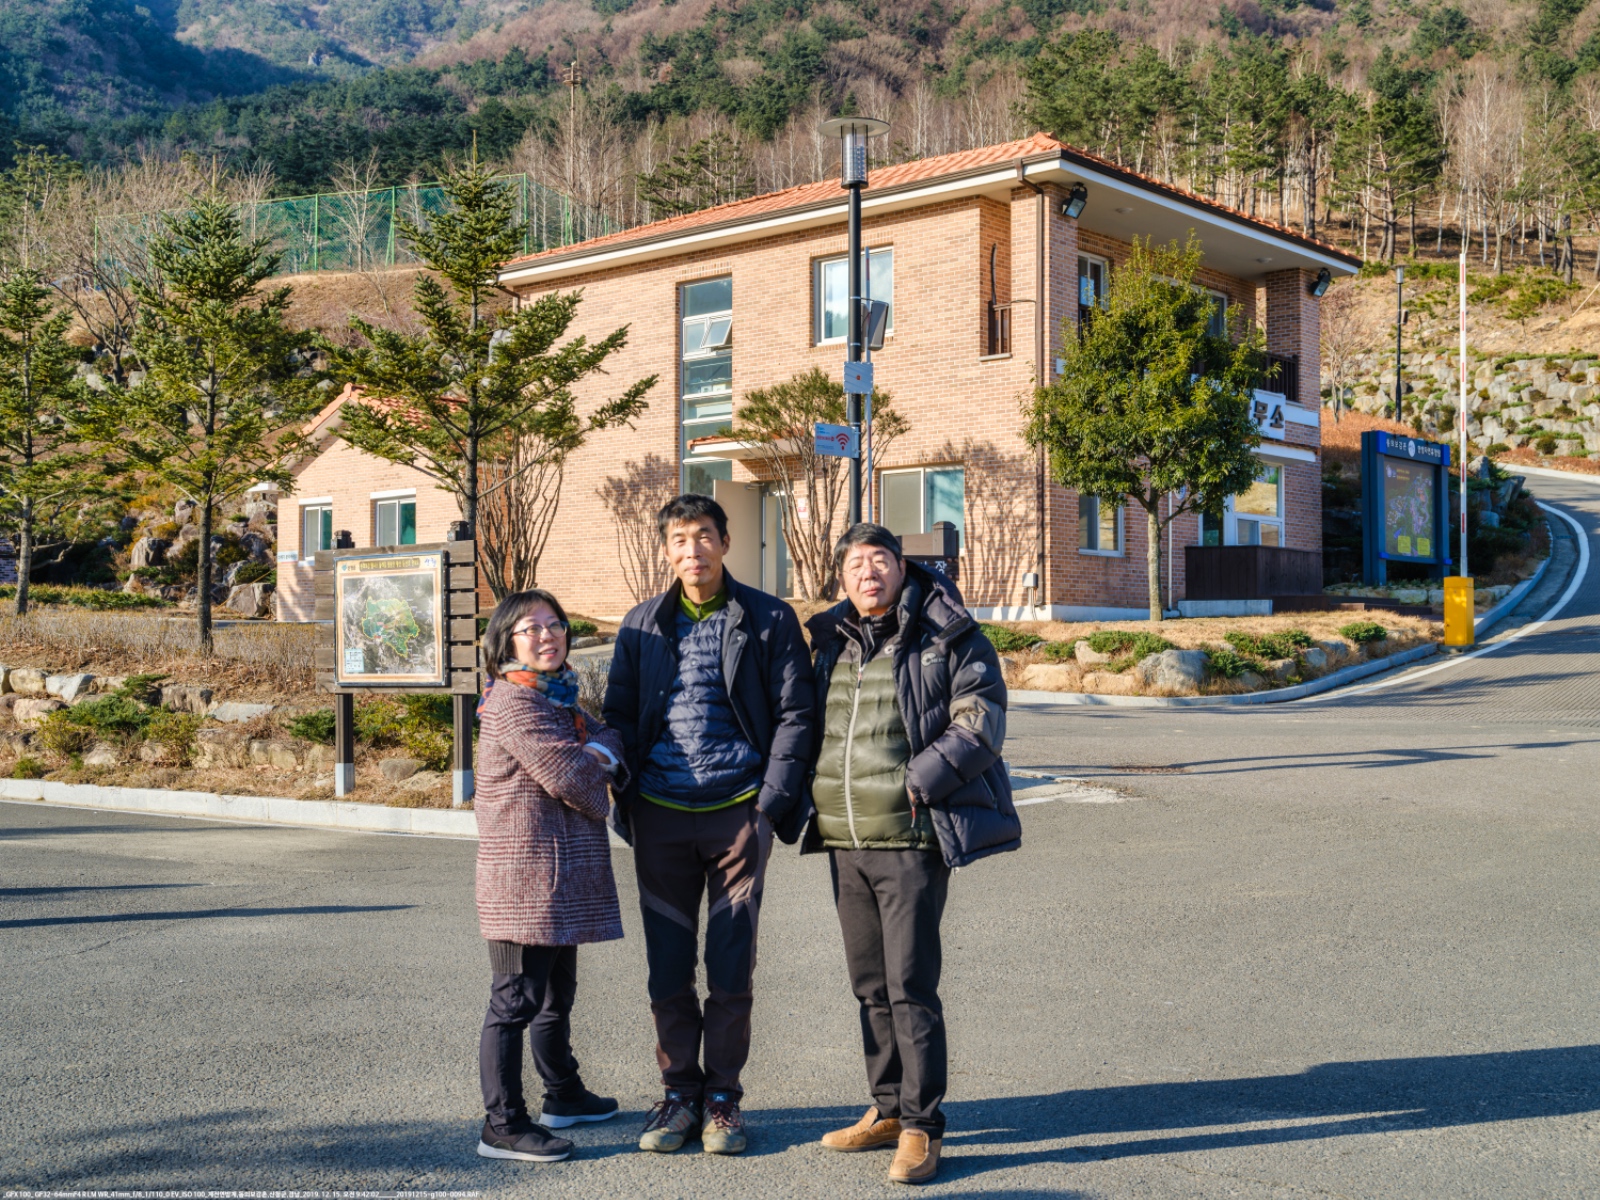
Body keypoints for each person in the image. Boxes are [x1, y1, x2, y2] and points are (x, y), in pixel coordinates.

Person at [803, 523, 1021, 1185]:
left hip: (909, 837)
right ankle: (888, 1108)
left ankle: (923, 1125)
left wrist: (917, 781)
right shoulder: (829, 641)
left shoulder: (946, 632)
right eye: (854, 564)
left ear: (902, 567)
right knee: (869, 986)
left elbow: (981, 718)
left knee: (910, 987)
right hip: (846, 840)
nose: (867, 573)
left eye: (879, 560)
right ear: (841, 577)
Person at [602, 493, 814, 1156]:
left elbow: (796, 714)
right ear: (666, 550)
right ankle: (677, 1095)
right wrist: (625, 794)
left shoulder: (768, 618)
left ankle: (722, 1098)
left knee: (730, 966)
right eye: (678, 539)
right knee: (667, 968)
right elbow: (618, 715)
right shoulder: (641, 625)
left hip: (737, 815)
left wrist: (771, 802)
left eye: (702, 536)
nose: (691, 550)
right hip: (659, 814)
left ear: (724, 541)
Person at [473, 588, 628, 1164]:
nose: (547, 636)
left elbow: (608, 735)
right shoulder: (514, 702)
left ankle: (563, 1094)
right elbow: (573, 778)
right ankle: (503, 1125)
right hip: (524, 882)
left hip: (555, 879)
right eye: (531, 628)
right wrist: (598, 758)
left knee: (555, 996)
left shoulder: (558, 698)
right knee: (514, 1001)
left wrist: (598, 751)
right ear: (506, 643)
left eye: (555, 624)